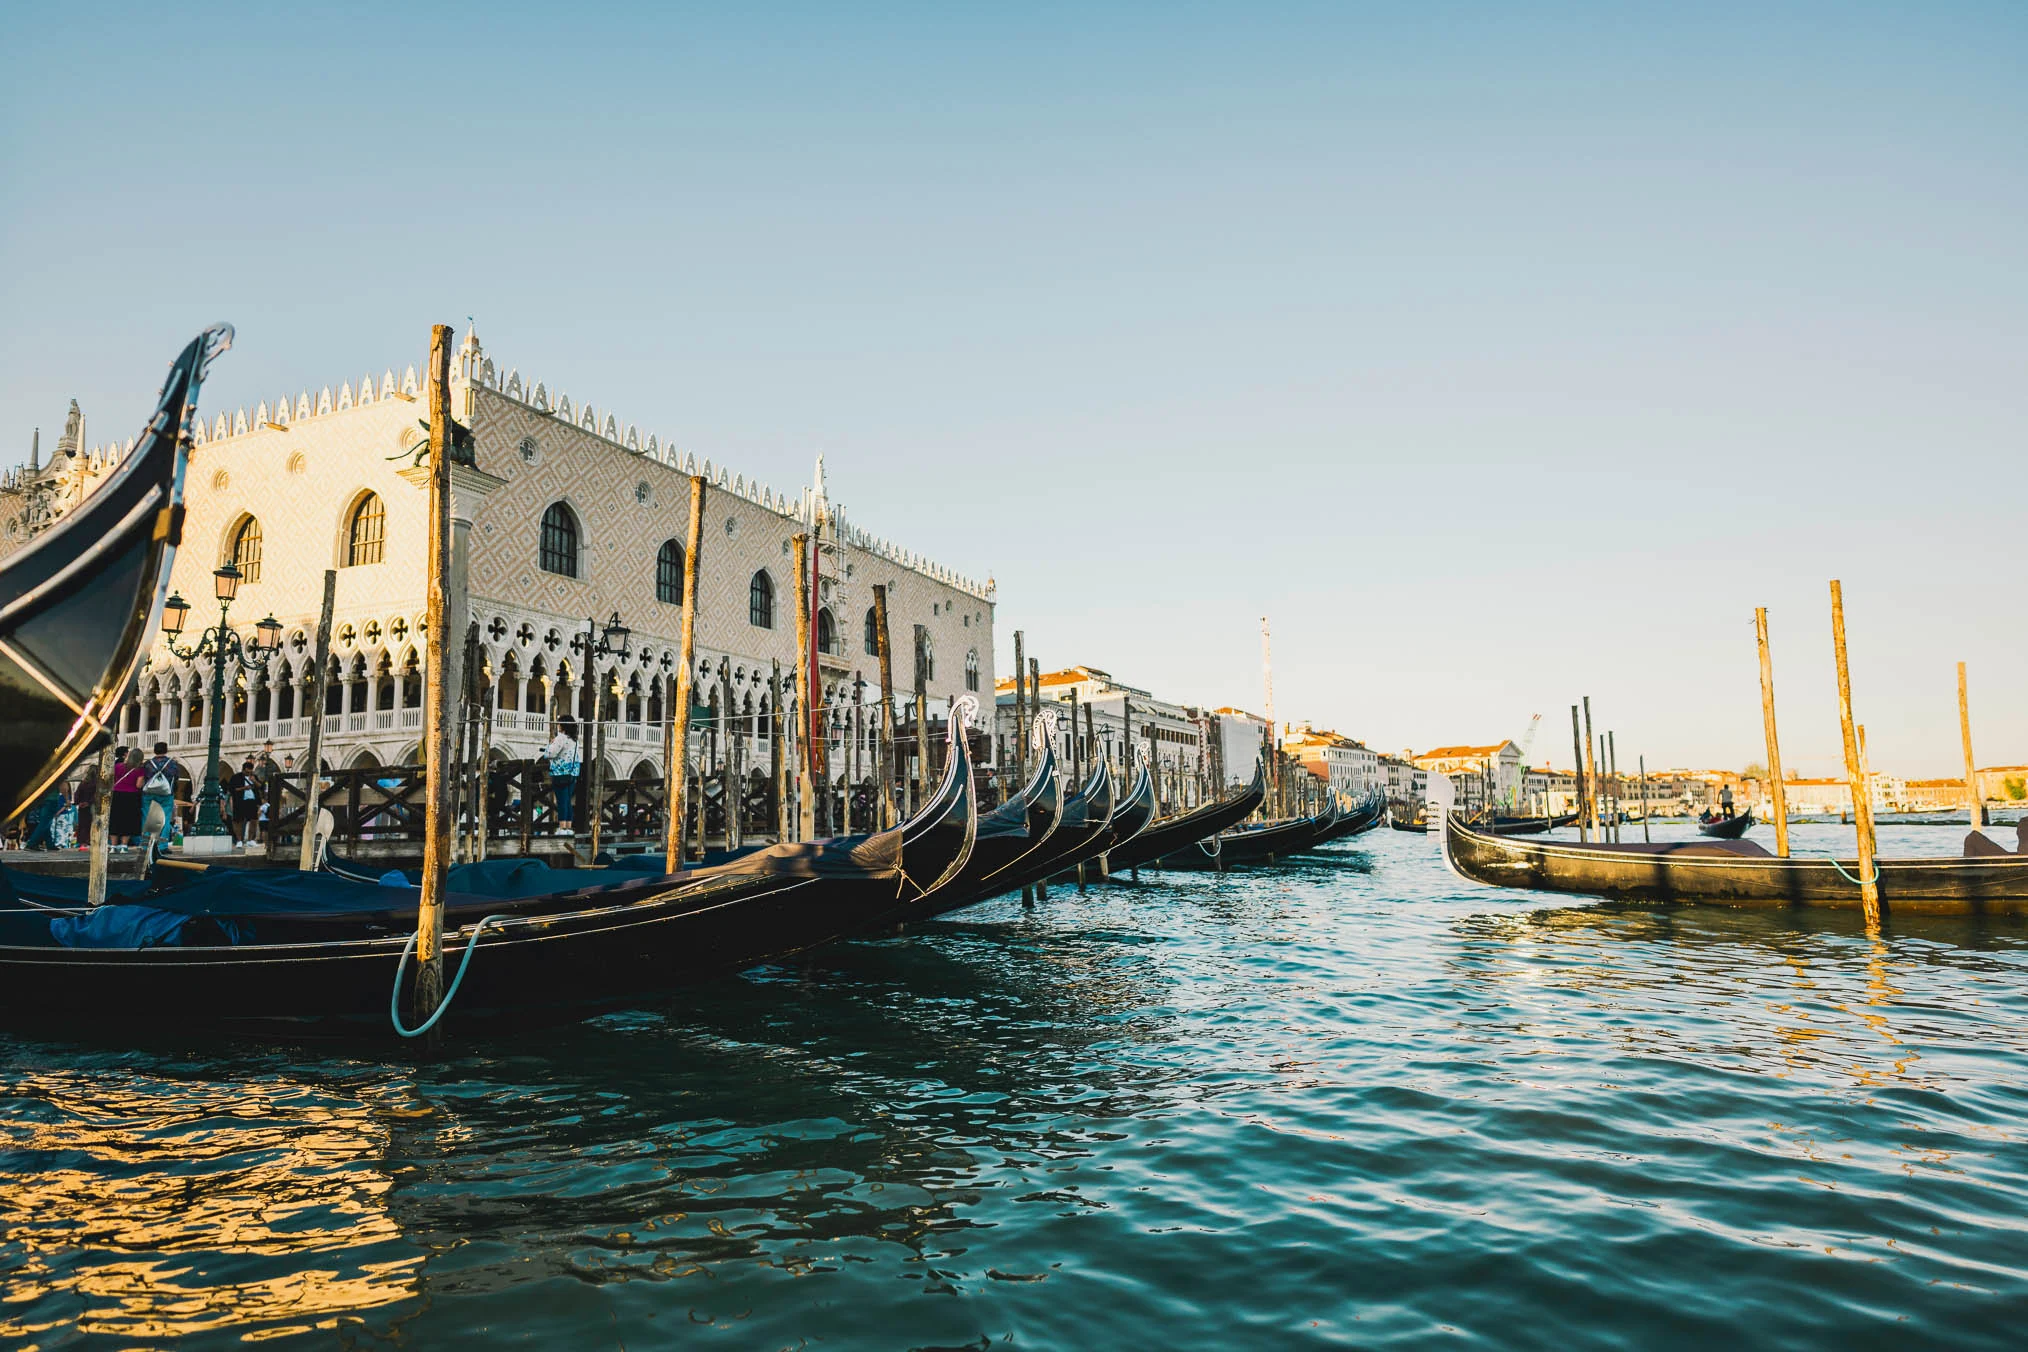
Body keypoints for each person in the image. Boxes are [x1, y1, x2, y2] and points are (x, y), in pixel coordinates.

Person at [138, 741, 184, 854]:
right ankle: (162, 845)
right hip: (166, 794)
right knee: (165, 819)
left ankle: (145, 845)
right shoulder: (172, 763)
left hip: (149, 794)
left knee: (147, 818)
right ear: (166, 750)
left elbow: (143, 778)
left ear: (154, 750)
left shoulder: (148, 764)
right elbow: (176, 777)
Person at [545, 715, 581, 835]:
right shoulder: (574, 740)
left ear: (563, 725)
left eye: (559, 723)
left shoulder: (560, 738)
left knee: (561, 801)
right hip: (572, 773)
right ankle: (568, 828)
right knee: (567, 801)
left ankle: (562, 828)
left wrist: (549, 745)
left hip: (560, 773)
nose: (558, 725)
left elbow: (550, 753)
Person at [111, 748, 145, 846]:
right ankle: (124, 845)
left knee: (115, 819)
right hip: (131, 796)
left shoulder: (117, 766)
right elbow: (139, 785)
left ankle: (113, 845)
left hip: (116, 795)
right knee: (128, 820)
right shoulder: (139, 769)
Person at [227, 757, 262, 846]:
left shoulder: (254, 777)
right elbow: (232, 789)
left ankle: (250, 840)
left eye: (250, 771)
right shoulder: (236, 777)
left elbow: (260, 787)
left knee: (254, 820)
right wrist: (244, 788)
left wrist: (254, 781)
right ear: (243, 770)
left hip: (252, 801)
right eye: (247, 772)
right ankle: (239, 840)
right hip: (240, 801)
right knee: (239, 821)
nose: (248, 773)